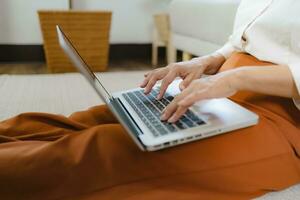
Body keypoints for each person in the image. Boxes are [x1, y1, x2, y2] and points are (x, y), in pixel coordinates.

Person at [0, 0, 299, 199]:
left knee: (103, 151)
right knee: (97, 117)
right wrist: (205, 63)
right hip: (225, 90)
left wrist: (235, 78)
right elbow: (244, 39)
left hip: (282, 117)